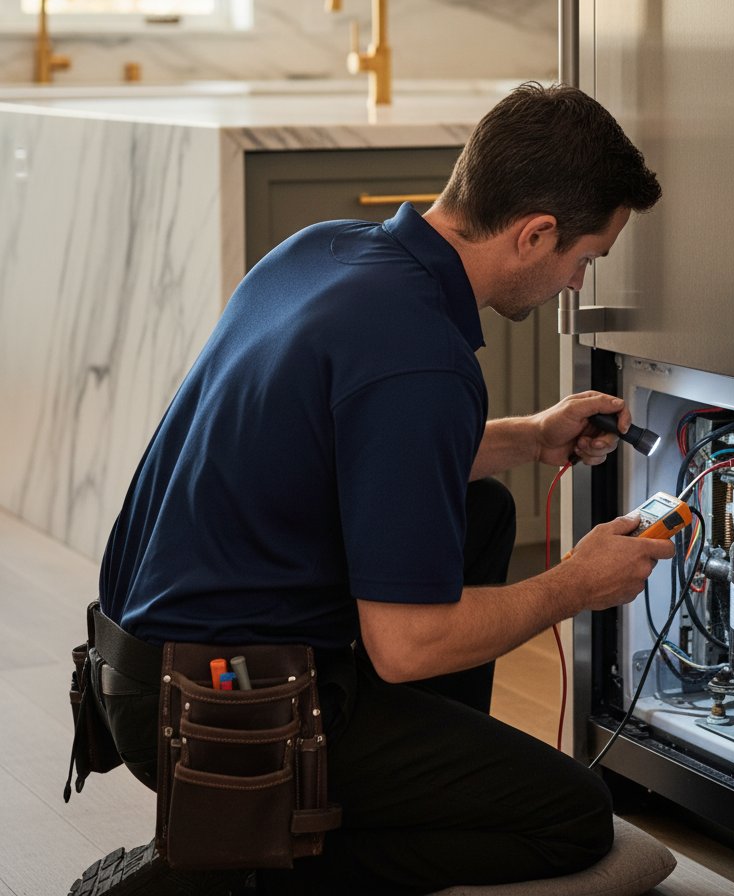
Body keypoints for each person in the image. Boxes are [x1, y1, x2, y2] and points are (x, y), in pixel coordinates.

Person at [71, 81, 669, 896]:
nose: (576, 282)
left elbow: (348, 453)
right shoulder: (422, 357)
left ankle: (380, 792)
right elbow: (407, 644)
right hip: (224, 706)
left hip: (145, 670)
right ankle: (222, 873)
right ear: (535, 234)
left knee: (481, 511)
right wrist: (575, 584)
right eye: (583, 259)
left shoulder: (325, 250)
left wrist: (530, 438)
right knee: (571, 817)